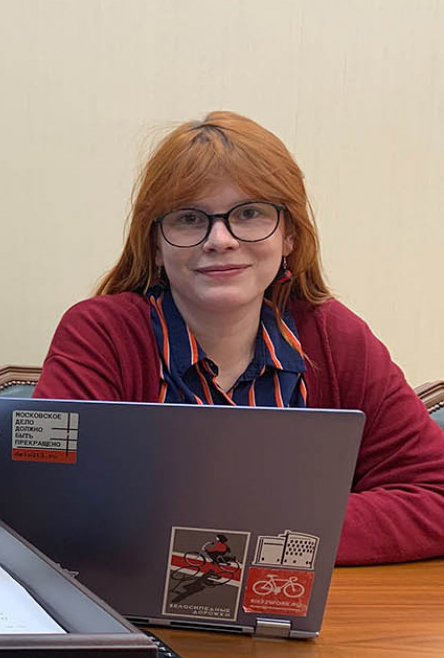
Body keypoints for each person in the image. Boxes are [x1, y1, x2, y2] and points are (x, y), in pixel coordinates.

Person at [35, 111, 444, 565]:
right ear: (154, 243)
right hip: (138, 618)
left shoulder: (335, 338)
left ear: (289, 234)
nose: (221, 239)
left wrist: (260, 534)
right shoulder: (101, 335)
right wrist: (287, 528)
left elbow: (436, 496)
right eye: (190, 218)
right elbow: (45, 501)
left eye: (249, 214)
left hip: (299, 618)